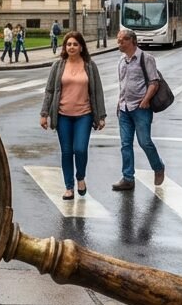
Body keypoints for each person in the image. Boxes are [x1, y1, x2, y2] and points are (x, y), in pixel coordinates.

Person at [41, 31, 106, 200]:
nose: (71, 47)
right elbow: (49, 91)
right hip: (63, 116)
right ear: (65, 47)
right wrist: (44, 113)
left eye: (75, 44)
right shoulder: (58, 66)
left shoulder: (90, 66)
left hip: (84, 115)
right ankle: (69, 187)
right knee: (67, 152)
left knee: (80, 149)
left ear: (81, 46)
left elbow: (98, 91)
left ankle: (81, 178)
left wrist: (101, 116)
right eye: (68, 44)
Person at [111, 29, 166, 192]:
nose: (119, 43)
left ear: (132, 41)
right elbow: (123, 84)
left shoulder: (146, 58)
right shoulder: (121, 60)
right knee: (125, 144)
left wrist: (145, 100)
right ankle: (128, 178)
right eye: (118, 40)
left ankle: (158, 167)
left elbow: (154, 82)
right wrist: (119, 103)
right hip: (124, 108)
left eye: (122, 40)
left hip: (141, 108)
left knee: (144, 142)